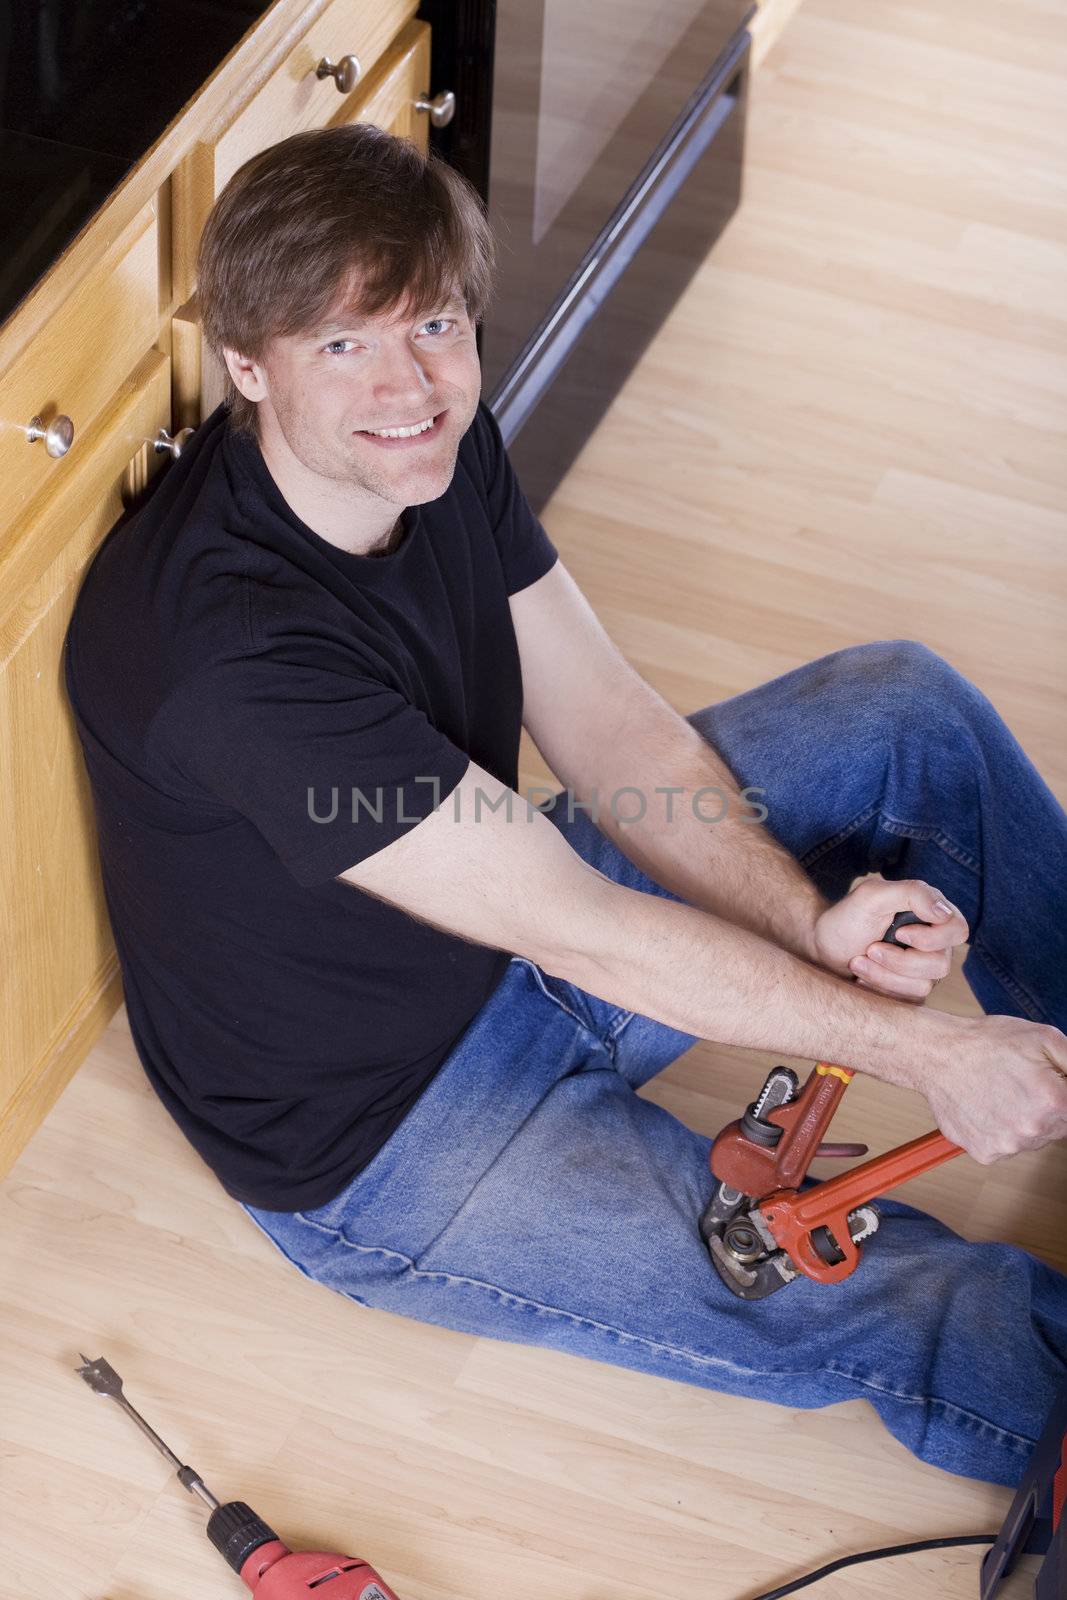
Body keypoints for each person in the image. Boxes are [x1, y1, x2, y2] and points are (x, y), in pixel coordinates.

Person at [64, 123, 1067, 1491]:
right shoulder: (226, 659)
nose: (409, 382)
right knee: (923, 1303)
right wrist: (934, 1058)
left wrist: (804, 924)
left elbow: (605, 723)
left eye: (431, 325)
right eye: (342, 345)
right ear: (248, 366)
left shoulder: (425, 443)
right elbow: (585, 926)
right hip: (395, 1138)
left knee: (900, 710)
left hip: (510, 911)